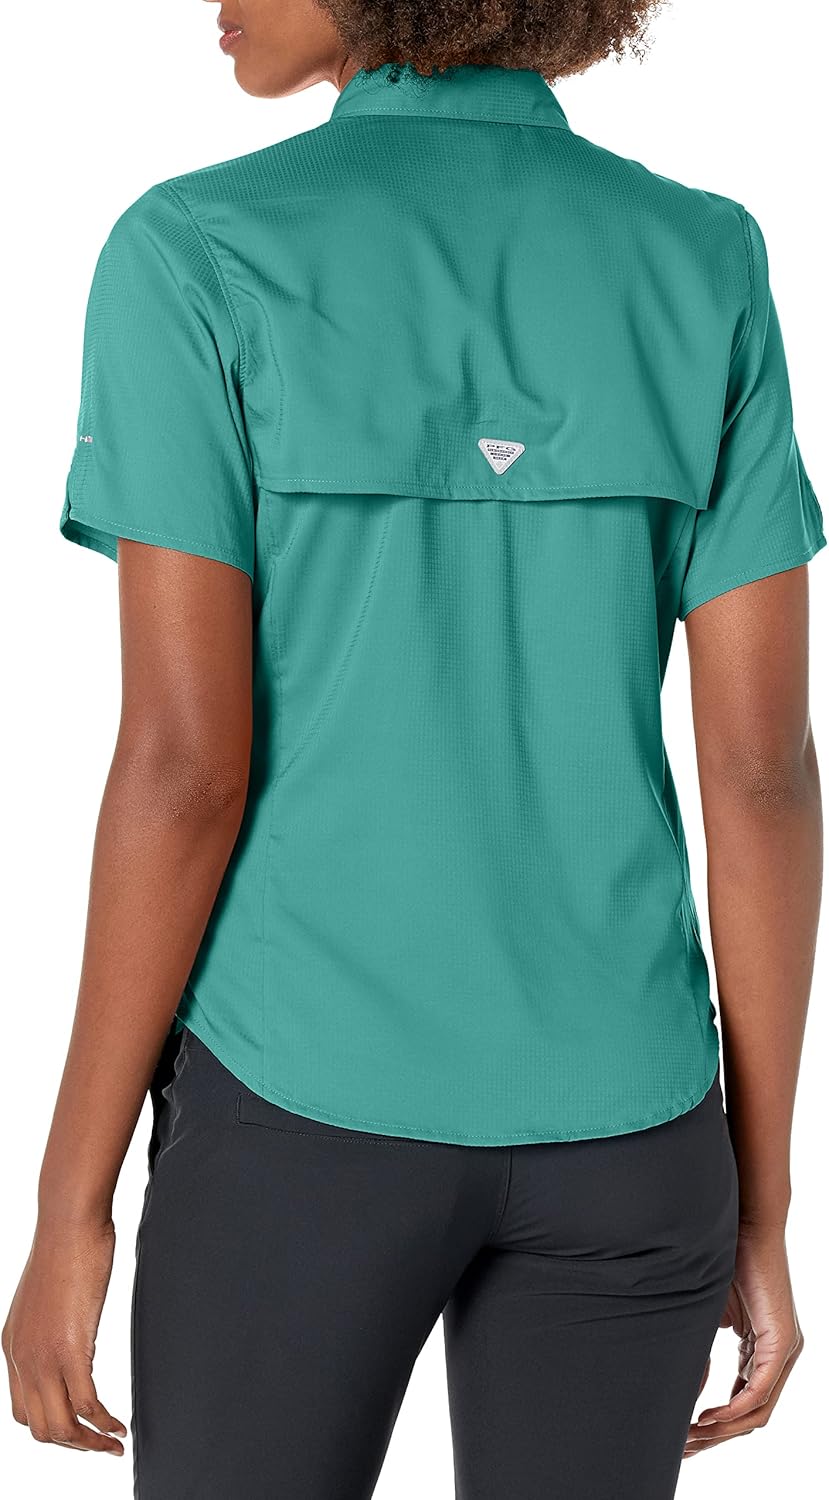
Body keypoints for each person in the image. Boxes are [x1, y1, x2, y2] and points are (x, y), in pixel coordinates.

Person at [3, 2, 824, 1496]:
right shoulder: (702, 255)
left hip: (297, 1117)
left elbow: (185, 768)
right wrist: (760, 1208)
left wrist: (72, 1204)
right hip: (634, 1125)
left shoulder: (195, 249)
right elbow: (763, 777)